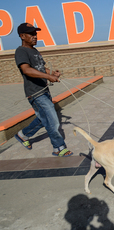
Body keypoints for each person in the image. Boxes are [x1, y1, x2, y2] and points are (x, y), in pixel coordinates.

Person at [14, 23, 73, 157]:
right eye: (31, 34)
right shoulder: (21, 51)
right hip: (35, 93)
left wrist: (52, 74)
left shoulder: (35, 51)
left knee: (43, 118)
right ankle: (59, 147)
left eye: (35, 33)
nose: (35, 36)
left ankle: (23, 135)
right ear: (22, 36)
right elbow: (26, 70)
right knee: (53, 121)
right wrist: (48, 77)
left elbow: (40, 69)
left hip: (44, 91)